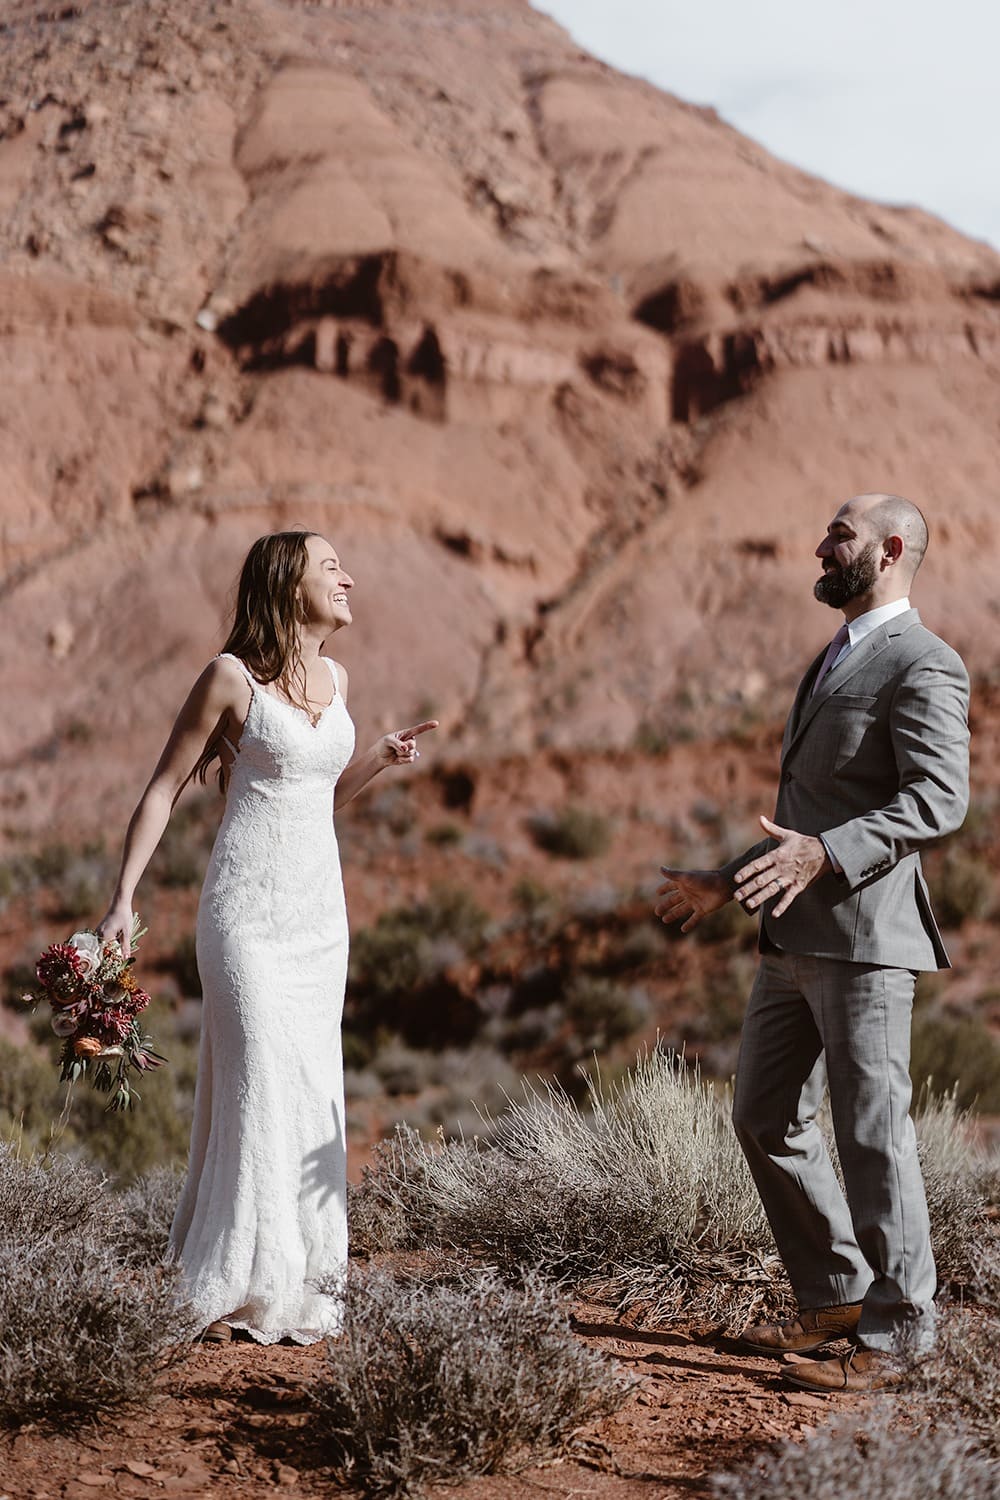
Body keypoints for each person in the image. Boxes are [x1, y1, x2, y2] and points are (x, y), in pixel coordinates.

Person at [654, 492, 970, 1393]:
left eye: (842, 534)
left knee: (872, 1132)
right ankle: (836, 1291)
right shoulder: (834, 656)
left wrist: (826, 855)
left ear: (892, 549)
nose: (820, 545)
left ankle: (901, 1336)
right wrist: (729, 880)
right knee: (763, 1114)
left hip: (867, 939)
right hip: (790, 935)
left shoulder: (925, 663)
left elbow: (939, 800)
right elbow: (806, 815)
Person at [98, 530, 437, 1345]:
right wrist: (121, 900)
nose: (349, 577)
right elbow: (160, 791)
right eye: (331, 568)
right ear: (289, 585)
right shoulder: (230, 679)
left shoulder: (339, 677)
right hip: (245, 917)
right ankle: (236, 1280)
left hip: (320, 922)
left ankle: (298, 1275)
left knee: (307, 1087)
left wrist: (377, 762)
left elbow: (316, 799)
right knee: (254, 1084)